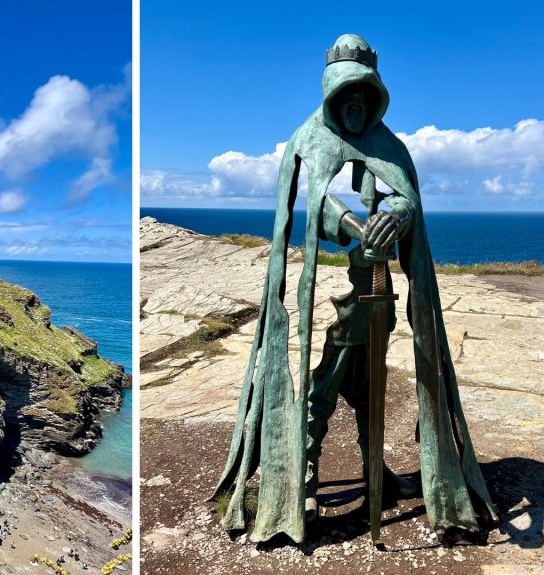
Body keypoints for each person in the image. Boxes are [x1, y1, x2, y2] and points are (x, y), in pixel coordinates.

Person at [212, 34, 498, 544]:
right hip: (354, 297)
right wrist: (352, 221)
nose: (355, 110)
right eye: (347, 101)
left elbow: (406, 201)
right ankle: (299, 476)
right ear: (333, 99)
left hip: (381, 297)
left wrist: (397, 211)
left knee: (372, 390)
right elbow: (312, 206)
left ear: (374, 101)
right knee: (324, 385)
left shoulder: (391, 148)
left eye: (363, 101)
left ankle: (376, 472)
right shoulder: (308, 139)